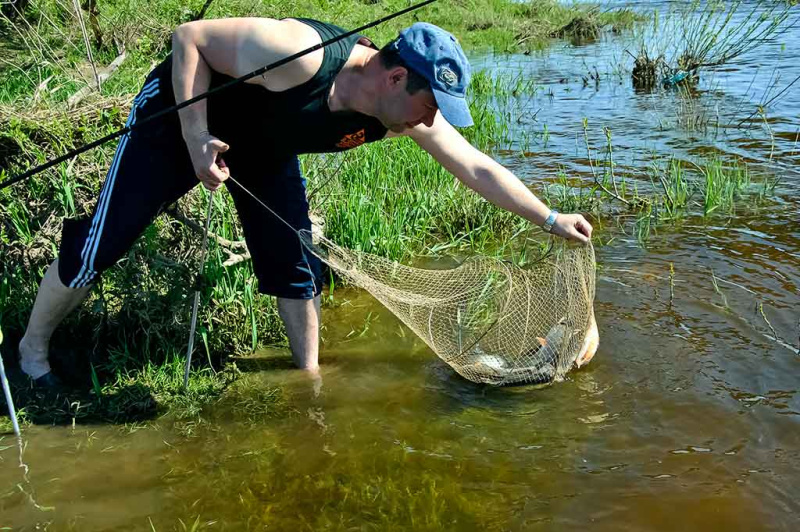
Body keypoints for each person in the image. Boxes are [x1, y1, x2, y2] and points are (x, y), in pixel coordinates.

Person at [18, 17, 593, 387]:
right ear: (395, 79)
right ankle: (30, 354)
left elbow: (475, 165)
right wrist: (196, 138)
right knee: (105, 240)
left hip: (264, 143)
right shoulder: (302, 54)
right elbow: (188, 38)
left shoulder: (400, 113)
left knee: (294, 265)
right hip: (178, 118)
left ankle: (309, 380)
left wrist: (550, 217)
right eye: (430, 104)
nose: (432, 119)